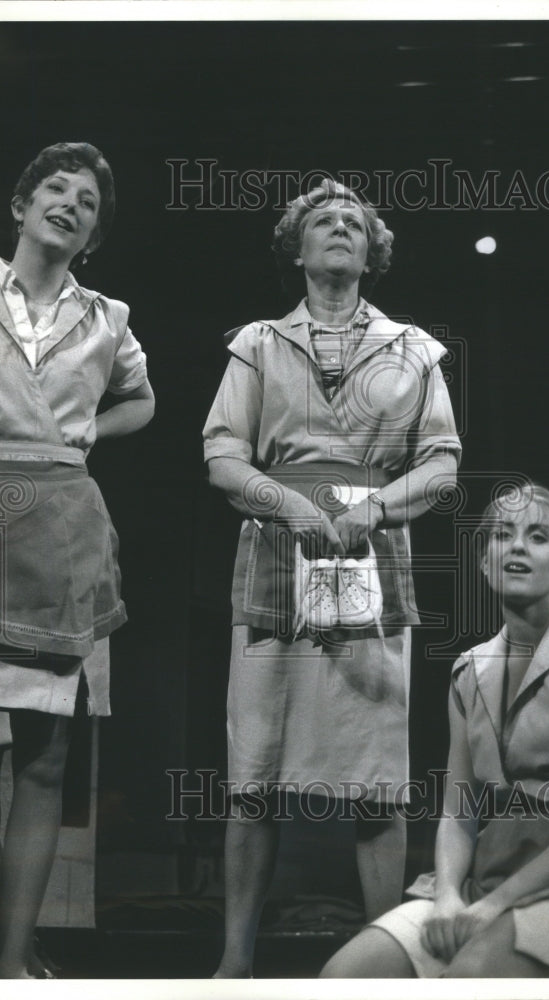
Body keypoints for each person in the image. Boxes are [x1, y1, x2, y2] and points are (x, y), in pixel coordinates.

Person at [202, 180, 461, 977]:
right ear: (298, 247)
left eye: (356, 221)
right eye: (324, 220)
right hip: (277, 560)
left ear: (372, 252)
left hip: (373, 566)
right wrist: (285, 503)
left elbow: (443, 463)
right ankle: (234, 964)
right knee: (254, 772)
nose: (341, 228)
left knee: (377, 776)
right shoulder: (256, 343)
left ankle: (385, 963)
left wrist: (375, 511)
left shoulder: (414, 348)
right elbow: (222, 454)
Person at [0, 142, 154, 978]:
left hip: (63, 533)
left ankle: (10, 965)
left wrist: (90, 430)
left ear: (92, 237)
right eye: (55, 188)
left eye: (87, 202)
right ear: (20, 205)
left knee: (44, 761)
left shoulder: (107, 317)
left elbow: (142, 399)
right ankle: (4, 942)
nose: (70, 203)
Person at [321, 484, 549, 978]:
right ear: (484, 561)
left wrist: (496, 908)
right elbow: (458, 810)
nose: (516, 547)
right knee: (346, 976)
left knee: (470, 976)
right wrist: (448, 895)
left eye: (537, 537)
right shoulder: (469, 670)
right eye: (501, 536)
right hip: (482, 885)